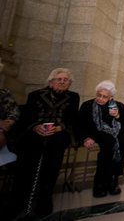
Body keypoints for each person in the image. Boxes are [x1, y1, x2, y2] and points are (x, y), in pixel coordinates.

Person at [10, 68, 79, 219]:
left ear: (69, 83)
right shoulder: (35, 95)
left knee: (54, 152)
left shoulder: (73, 97)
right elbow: (28, 116)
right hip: (36, 131)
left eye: (65, 80)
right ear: (50, 81)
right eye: (58, 79)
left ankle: (44, 199)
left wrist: (60, 127)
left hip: (58, 133)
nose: (62, 82)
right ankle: (19, 200)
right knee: (29, 152)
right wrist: (36, 126)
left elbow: (72, 118)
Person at [78, 80, 124, 197]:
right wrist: (85, 138)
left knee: (122, 142)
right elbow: (79, 124)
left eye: (104, 97)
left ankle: (113, 178)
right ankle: (100, 181)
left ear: (111, 97)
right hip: (95, 133)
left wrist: (117, 116)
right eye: (99, 95)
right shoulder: (87, 105)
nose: (100, 98)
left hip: (114, 132)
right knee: (108, 143)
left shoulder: (119, 106)